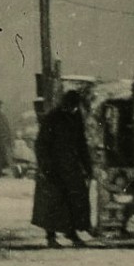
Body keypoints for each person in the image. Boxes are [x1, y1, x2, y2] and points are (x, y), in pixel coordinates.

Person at [31, 89, 92, 248]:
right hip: (53, 166)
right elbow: (41, 144)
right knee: (53, 202)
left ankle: (71, 232)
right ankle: (51, 236)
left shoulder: (75, 117)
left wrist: (87, 166)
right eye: (72, 106)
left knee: (74, 200)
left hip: (71, 166)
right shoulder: (53, 117)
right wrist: (46, 167)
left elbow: (81, 143)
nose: (74, 109)